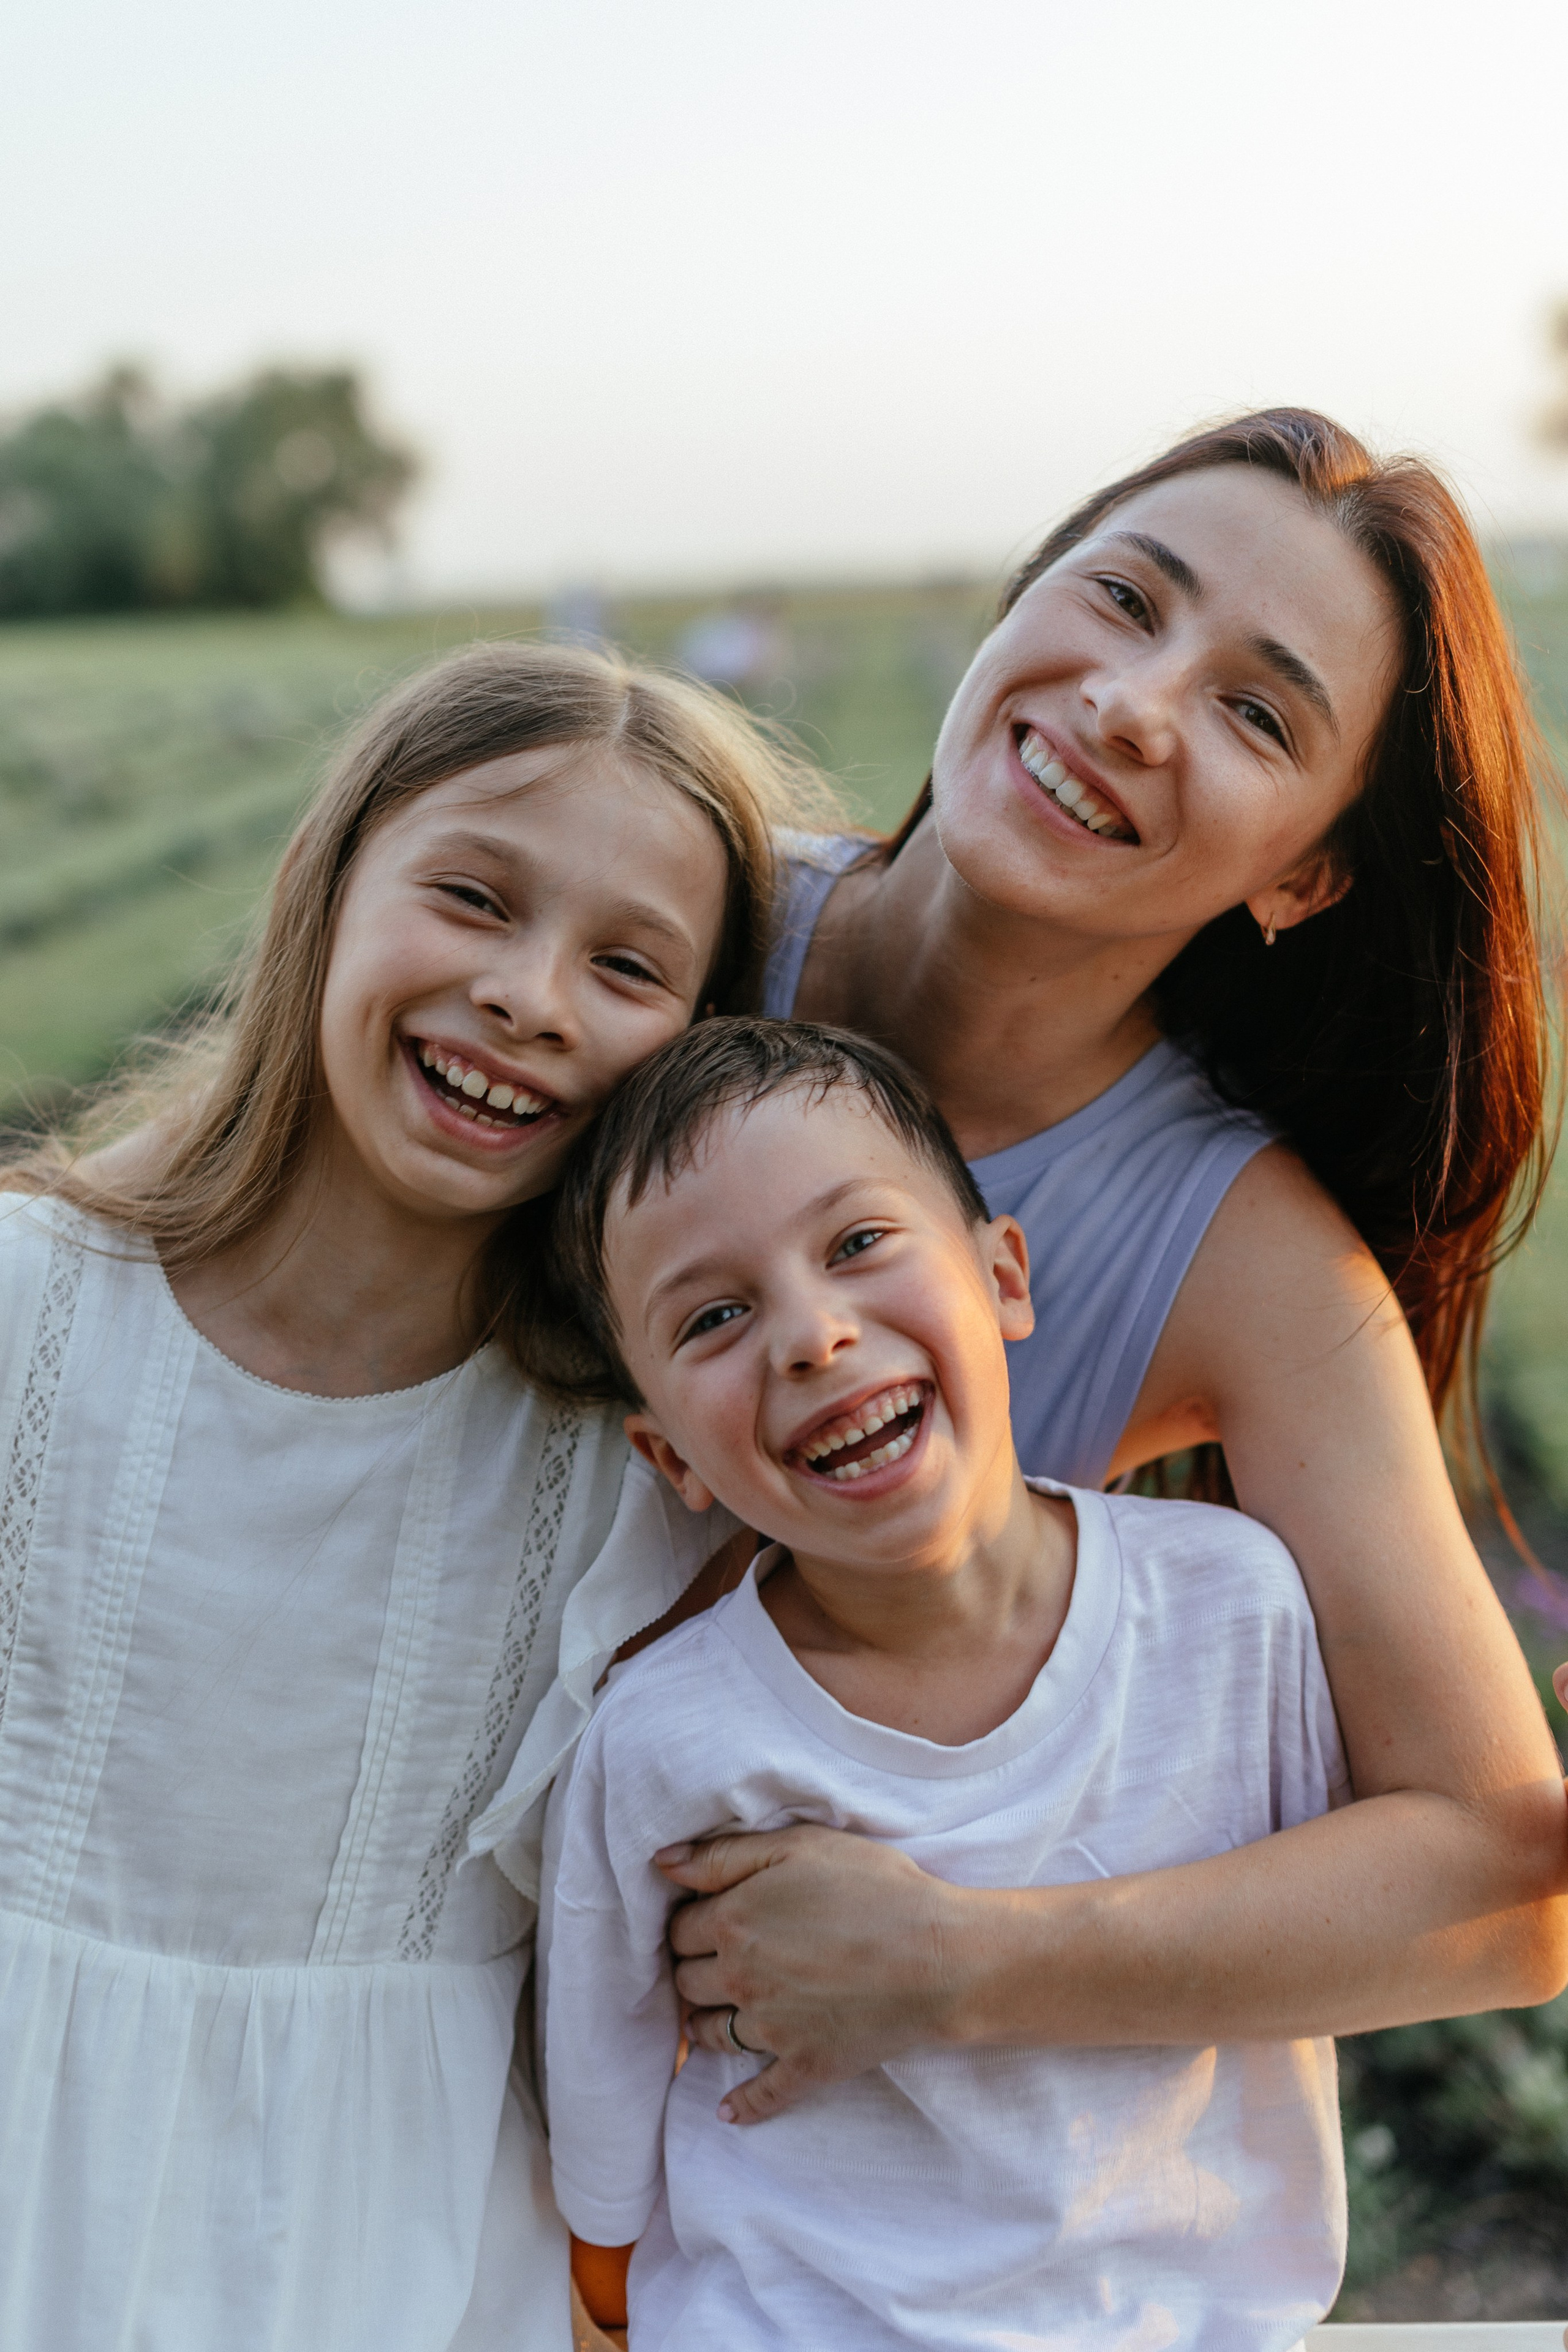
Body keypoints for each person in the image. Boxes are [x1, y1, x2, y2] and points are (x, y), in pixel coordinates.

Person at [474, 410, 1568, 2138]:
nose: (1136, 704)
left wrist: (958, 1964)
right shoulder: (663, 934)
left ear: (1310, 870)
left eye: (1254, 710)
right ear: (1016, 604)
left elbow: (1502, 1884)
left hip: (743, 2166)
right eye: (1126, 600)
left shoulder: (1245, 1256)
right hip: (379, 1959)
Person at [0, 641, 819, 2352]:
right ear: (328, 886)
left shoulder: (641, 1482)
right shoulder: (29, 1312)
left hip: (391, 2269)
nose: (530, 996)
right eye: (472, 897)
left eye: (626, 962)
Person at [540, 1016, 1351, 2348]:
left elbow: (1370, 1896)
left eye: (856, 1244)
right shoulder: (668, 1737)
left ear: (1002, 1278)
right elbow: (602, 2101)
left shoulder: (1230, 1606)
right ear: (669, 1457)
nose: (810, 1337)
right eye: (714, 1316)